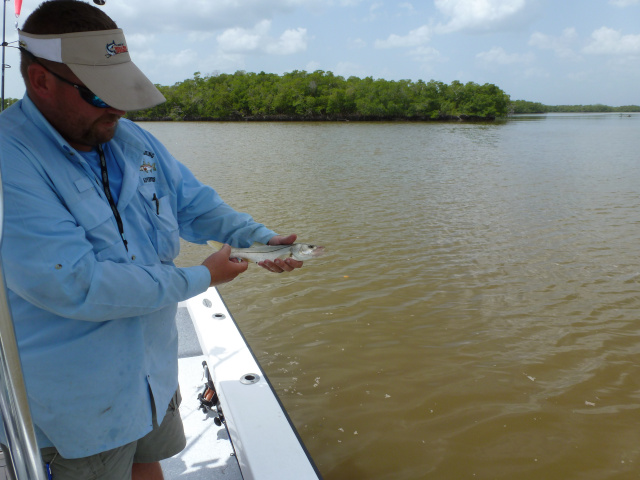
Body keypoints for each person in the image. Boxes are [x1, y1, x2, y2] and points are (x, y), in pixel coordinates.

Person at [0, 1, 304, 478]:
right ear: (40, 81)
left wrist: (259, 240)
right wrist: (203, 277)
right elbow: (74, 283)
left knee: (149, 462)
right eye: (100, 94)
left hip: (151, 374)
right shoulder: (10, 159)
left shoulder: (129, 139)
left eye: (122, 90)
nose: (118, 107)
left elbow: (194, 204)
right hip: (78, 402)